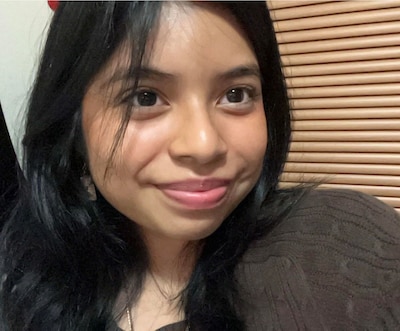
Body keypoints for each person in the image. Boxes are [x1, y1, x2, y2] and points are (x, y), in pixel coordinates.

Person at [1, 1, 400, 330]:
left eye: (236, 94)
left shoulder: (352, 256)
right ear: (73, 125)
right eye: (144, 97)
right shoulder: (23, 284)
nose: (204, 144)